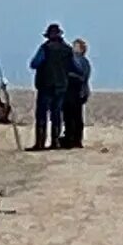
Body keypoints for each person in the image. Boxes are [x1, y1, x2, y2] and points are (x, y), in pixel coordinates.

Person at [28, 23, 74, 151]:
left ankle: (40, 143)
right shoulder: (68, 49)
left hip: (46, 85)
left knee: (42, 115)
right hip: (61, 86)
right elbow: (73, 67)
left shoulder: (45, 48)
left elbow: (34, 63)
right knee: (56, 114)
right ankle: (55, 142)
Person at [62, 38, 92, 149]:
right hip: (75, 91)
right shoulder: (79, 60)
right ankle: (72, 138)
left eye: (76, 46)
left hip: (76, 91)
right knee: (72, 116)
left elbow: (82, 76)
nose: (73, 48)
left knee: (74, 116)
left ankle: (74, 139)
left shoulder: (81, 61)